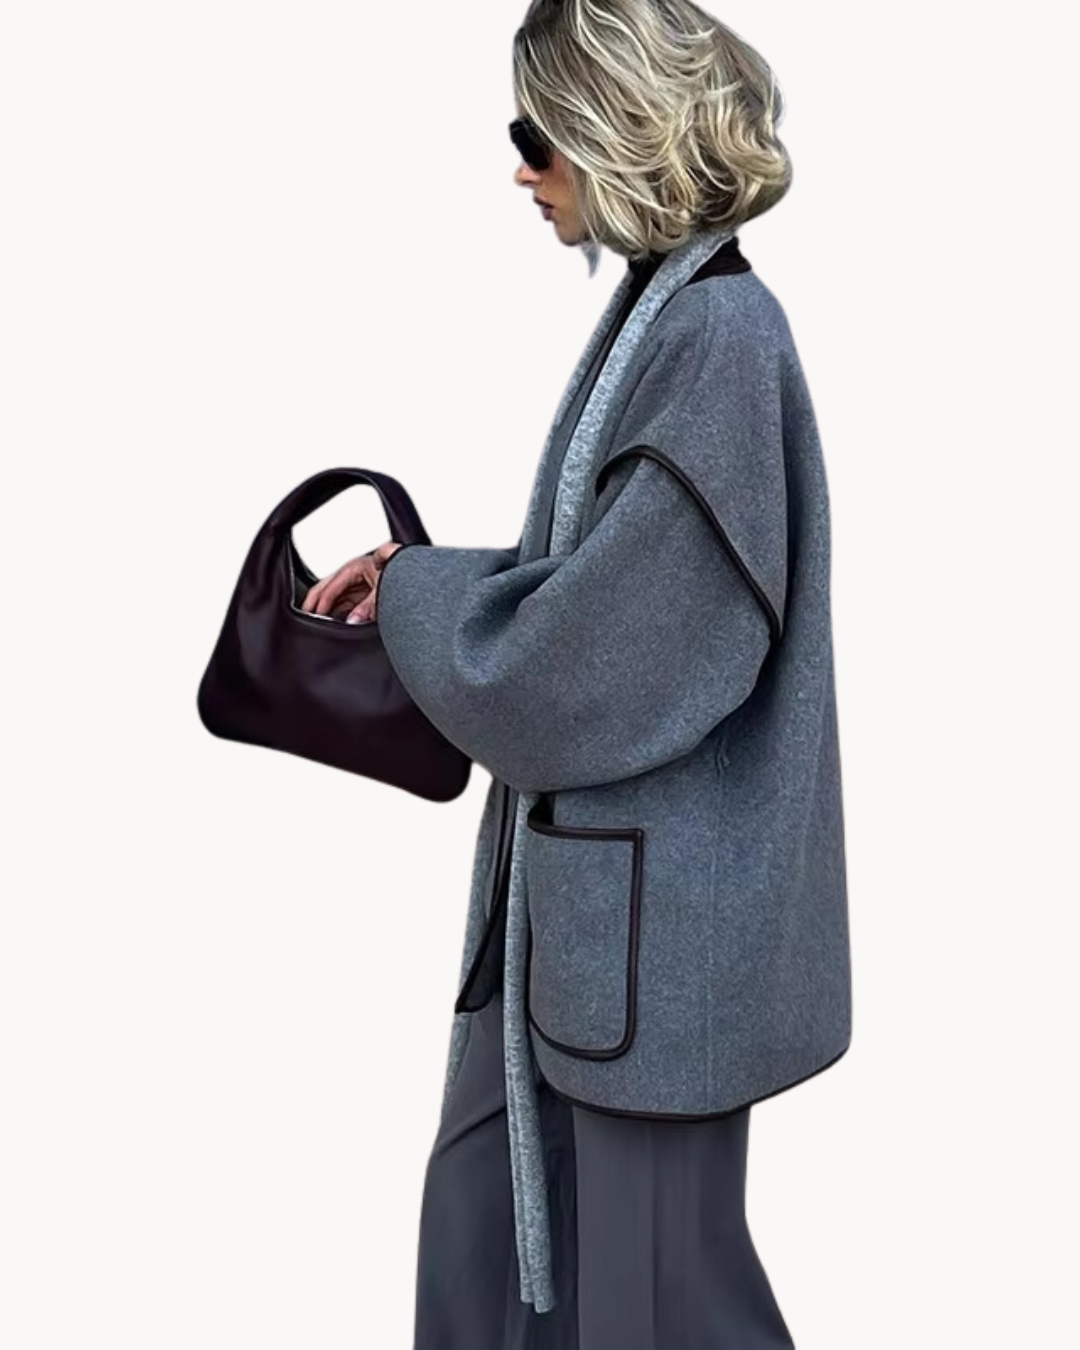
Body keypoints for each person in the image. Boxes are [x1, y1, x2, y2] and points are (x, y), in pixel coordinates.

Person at [302, 2, 851, 1346]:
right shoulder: (674, 317)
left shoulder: (717, 340)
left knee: (662, 1306)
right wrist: (424, 574)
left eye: (537, 135)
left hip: (655, 944)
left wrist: (423, 597)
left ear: (619, 130)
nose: (520, 169)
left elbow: (605, 658)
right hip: (597, 921)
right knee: (491, 1245)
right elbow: (614, 580)